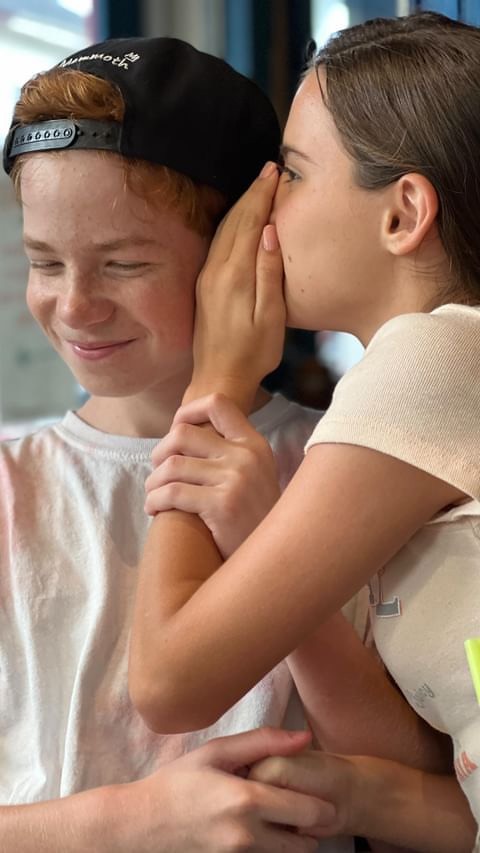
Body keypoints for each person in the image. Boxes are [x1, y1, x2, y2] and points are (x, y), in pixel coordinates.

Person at [0, 34, 368, 853]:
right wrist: (129, 823)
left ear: (241, 246)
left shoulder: (345, 470)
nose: (75, 305)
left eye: (124, 264)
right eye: (44, 262)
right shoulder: (12, 490)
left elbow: (411, 773)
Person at [129, 11, 480, 853]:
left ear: (403, 213)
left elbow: (170, 682)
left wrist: (214, 380)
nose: (262, 211)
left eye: (289, 172)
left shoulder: (429, 355)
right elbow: (437, 778)